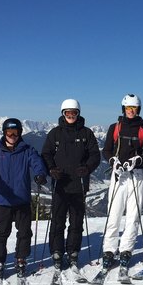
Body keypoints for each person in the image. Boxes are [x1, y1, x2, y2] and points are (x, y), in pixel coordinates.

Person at [0, 118, 48, 279]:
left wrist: (40, 174)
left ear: (20, 133)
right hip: (3, 200)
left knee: (24, 232)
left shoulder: (27, 150)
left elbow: (37, 163)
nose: (12, 136)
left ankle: (21, 259)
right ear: (4, 133)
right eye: (9, 132)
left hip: (21, 199)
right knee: (1, 233)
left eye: (15, 133)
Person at [41, 99, 101, 270]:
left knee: (76, 222)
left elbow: (95, 155)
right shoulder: (55, 134)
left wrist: (88, 168)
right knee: (58, 221)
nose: (71, 116)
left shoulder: (86, 133)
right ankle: (57, 252)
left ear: (78, 113)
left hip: (79, 184)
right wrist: (51, 169)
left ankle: (73, 252)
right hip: (60, 183)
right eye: (67, 113)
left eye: (73, 113)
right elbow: (46, 154)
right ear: (63, 114)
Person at [101, 94, 143, 269]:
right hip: (119, 176)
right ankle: (109, 250)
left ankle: (126, 250)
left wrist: (137, 161)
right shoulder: (115, 128)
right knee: (113, 214)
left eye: (134, 108)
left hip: (136, 177)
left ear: (139, 110)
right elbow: (106, 150)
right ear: (123, 109)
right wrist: (112, 161)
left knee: (133, 216)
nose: (131, 111)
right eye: (128, 108)